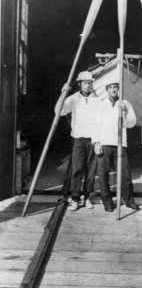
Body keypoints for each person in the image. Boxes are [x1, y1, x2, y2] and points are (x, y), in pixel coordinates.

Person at [92, 76, 139, 212]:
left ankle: (129, 201)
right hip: (105, 143)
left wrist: (125, 110)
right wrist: (96, 142)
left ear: (118, 89)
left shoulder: (125, 103)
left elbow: (131, 123)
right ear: (107, 89)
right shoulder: (101, 105)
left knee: (125, 175)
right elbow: (96, 125)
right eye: (110, 87)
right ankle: (107, 202)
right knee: (103, 175)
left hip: (120, 144)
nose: (113, 90)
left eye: (115, 87)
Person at [55, 71, 98, 211]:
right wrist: (63, 93)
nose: (87, 85)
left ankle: (87, 198)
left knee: (91, 170)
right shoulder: (73, 98)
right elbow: (59, 111)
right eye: (85, 83)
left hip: (92, 139)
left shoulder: (96, 99)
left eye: (89, 83)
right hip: (78, 139)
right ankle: (75, 198)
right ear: (79, 84)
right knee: (77, 169)